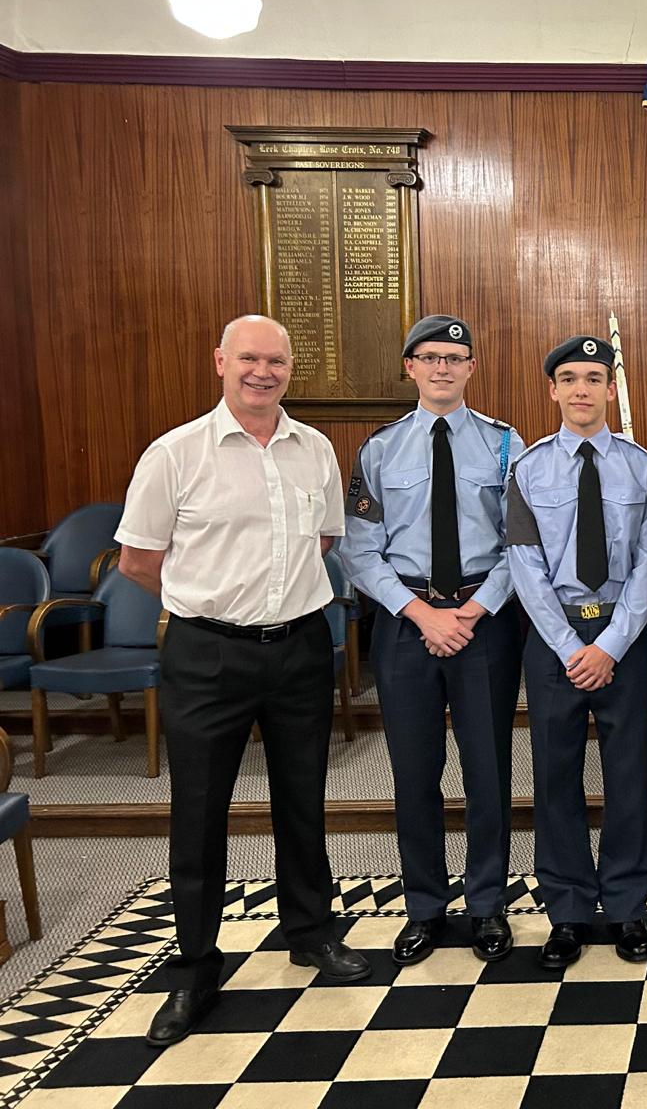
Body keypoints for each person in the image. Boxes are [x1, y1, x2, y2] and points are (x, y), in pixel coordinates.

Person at [115, 315, 369, 1047]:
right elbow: (138, 559)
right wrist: (208, 602)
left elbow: (323, 541)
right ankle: (196, 965)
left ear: (292, 370)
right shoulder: (175, 453)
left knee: (303, 798)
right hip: (207, 655)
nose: (263, 372)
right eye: (250, 358)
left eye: (277, 361)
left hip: (296, 649)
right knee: (198, 812)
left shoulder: (314, 448)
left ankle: (311, 932)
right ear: (221, 361)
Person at [341, 315, 523, 967]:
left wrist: (470, 612)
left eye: (455, 357)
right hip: (404, 625)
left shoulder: (507, 446)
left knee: (487, 771)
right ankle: (424, 905)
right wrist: (422, 614)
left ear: (472, 367)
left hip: (484, 622)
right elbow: (361, 554)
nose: (443, 367)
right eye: (430, 357)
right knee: (414, 774)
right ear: (410, 366)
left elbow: (521, 545)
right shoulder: (380, 451)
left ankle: (486, 904)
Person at [505, 335, 647, 969]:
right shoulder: (529, 468)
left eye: (593, 378)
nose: (580, 389)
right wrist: (573, 646)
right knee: (555, 779)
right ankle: (567, 909)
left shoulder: (641, 466)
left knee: (630, 778)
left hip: (623, 642)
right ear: (552, 390)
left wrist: (614, 645)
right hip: (554, 643)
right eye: (568, 378)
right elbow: (524, 566)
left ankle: (627, 906)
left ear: (609, 389)